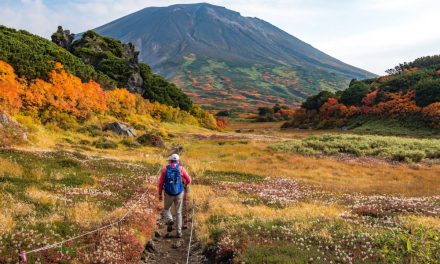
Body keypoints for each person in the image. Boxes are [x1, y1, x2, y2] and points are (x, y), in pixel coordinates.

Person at [157, 154, 191, 238]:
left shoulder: (165, 169)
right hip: (179, 192)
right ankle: (179, 233)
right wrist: (184, 184)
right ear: (177, 161)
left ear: (169, 161)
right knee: (178, 212)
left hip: (168, 193)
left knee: (166, 209)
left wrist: (160, 194)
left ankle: (170, 220)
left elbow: (160, 183)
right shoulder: (181, 169)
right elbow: (189, 180)